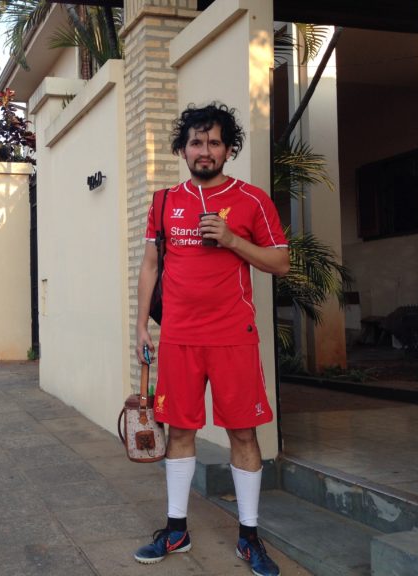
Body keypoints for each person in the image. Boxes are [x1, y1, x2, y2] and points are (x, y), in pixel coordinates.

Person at [133, 103, 289, 576]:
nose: (205, 151)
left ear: (228, 149)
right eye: (196, 142)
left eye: (214, 142)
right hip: (179, 337)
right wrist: (140, 326)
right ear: (183, 149)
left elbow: (280, 262)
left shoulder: (251, 200)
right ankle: (176, 530)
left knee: (243, 432)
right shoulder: (163, 202)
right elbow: (150, 266)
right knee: (180, 431)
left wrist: (232, 240)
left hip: (233, 336)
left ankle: (249, 537)